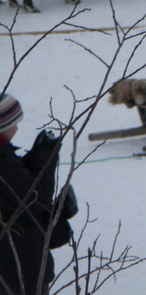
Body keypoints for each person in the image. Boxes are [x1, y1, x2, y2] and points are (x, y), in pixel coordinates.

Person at [0, 94, 63, 295]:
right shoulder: (3, 160)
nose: (17, 128)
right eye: (14, 122)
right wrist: (47, 155)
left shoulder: (5, 157)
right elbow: (36, 198)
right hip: (16, 265)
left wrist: (35, 155)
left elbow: (13, 187)